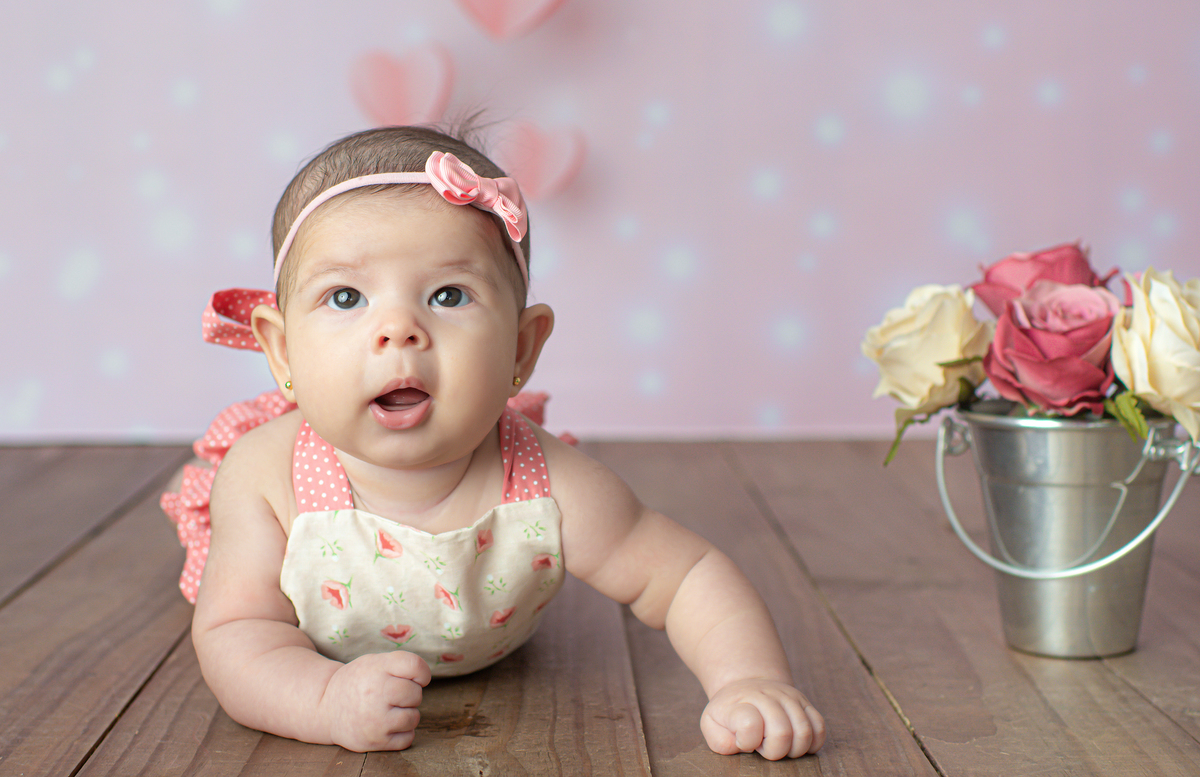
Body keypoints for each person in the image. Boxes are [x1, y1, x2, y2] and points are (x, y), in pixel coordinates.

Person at [165, 125, 826, 759]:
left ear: (522, 346)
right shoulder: (265, 476)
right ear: (280, 349)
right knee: (230, 570)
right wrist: (325, 697)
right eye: (346, 297)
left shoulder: (550, 482)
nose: (398, 329)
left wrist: (748, 680)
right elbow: (236, 634)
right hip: (314, 650)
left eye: (448, 294)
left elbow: (685, 577)